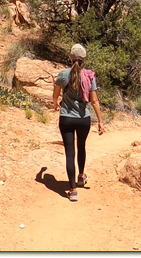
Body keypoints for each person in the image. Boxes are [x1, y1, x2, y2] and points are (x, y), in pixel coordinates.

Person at [52, 44, 105, 202]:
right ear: (83, 59)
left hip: (66, 119)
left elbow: (55, 95)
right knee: (81, 146)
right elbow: (94, 101)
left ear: (70, 57)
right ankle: (81, 176)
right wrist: (100, 122)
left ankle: (73, 190)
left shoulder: (63, 75)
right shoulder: (89, 76)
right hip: (84, 119)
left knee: (70, 153)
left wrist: (55, 104)